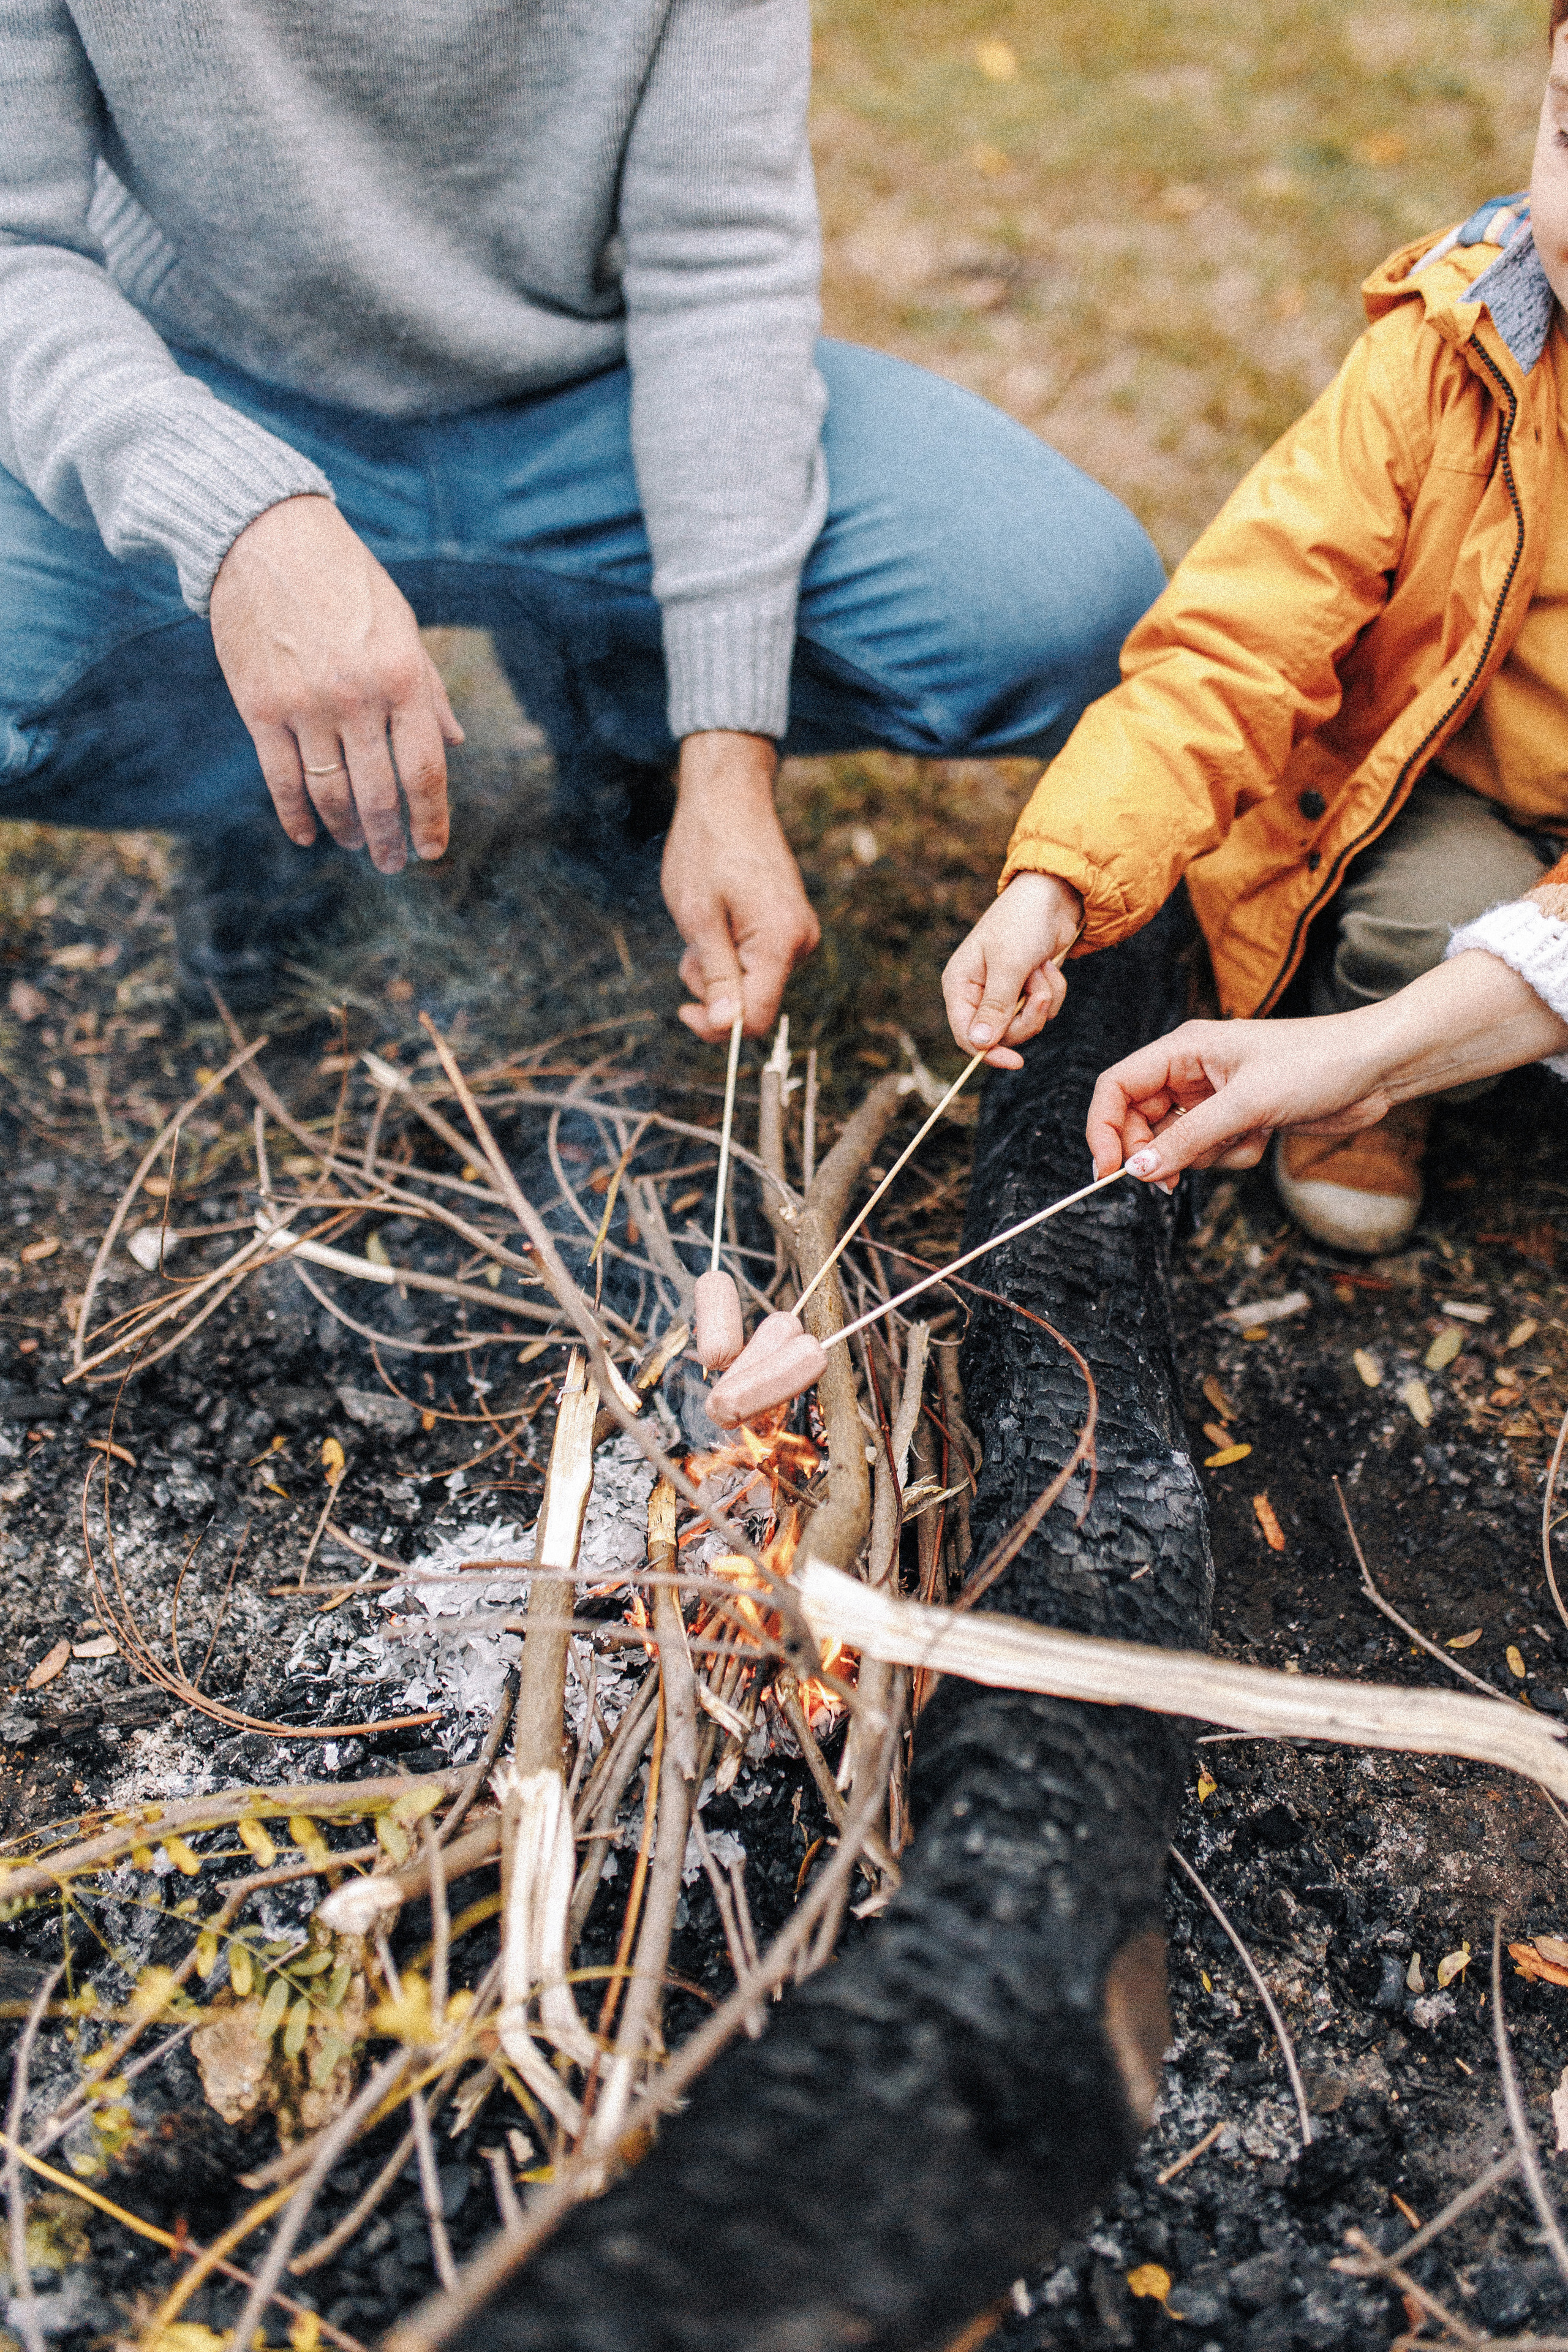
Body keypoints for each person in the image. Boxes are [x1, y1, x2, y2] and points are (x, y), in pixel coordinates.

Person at [0, 1, 1161, 1027]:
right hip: (202, 392)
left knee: (1063, 604)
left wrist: (725, 750)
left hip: (590, 401)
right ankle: (264, 799)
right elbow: (13, 249)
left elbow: (720, 269)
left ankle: (621, 726)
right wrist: (234, 523)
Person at [943, 0, 1568, 1254]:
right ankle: (1373, 1066)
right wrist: (1059, 878)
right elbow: (1237, 639)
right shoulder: (1448, 353)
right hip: (1451, 779)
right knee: (1421, 928)